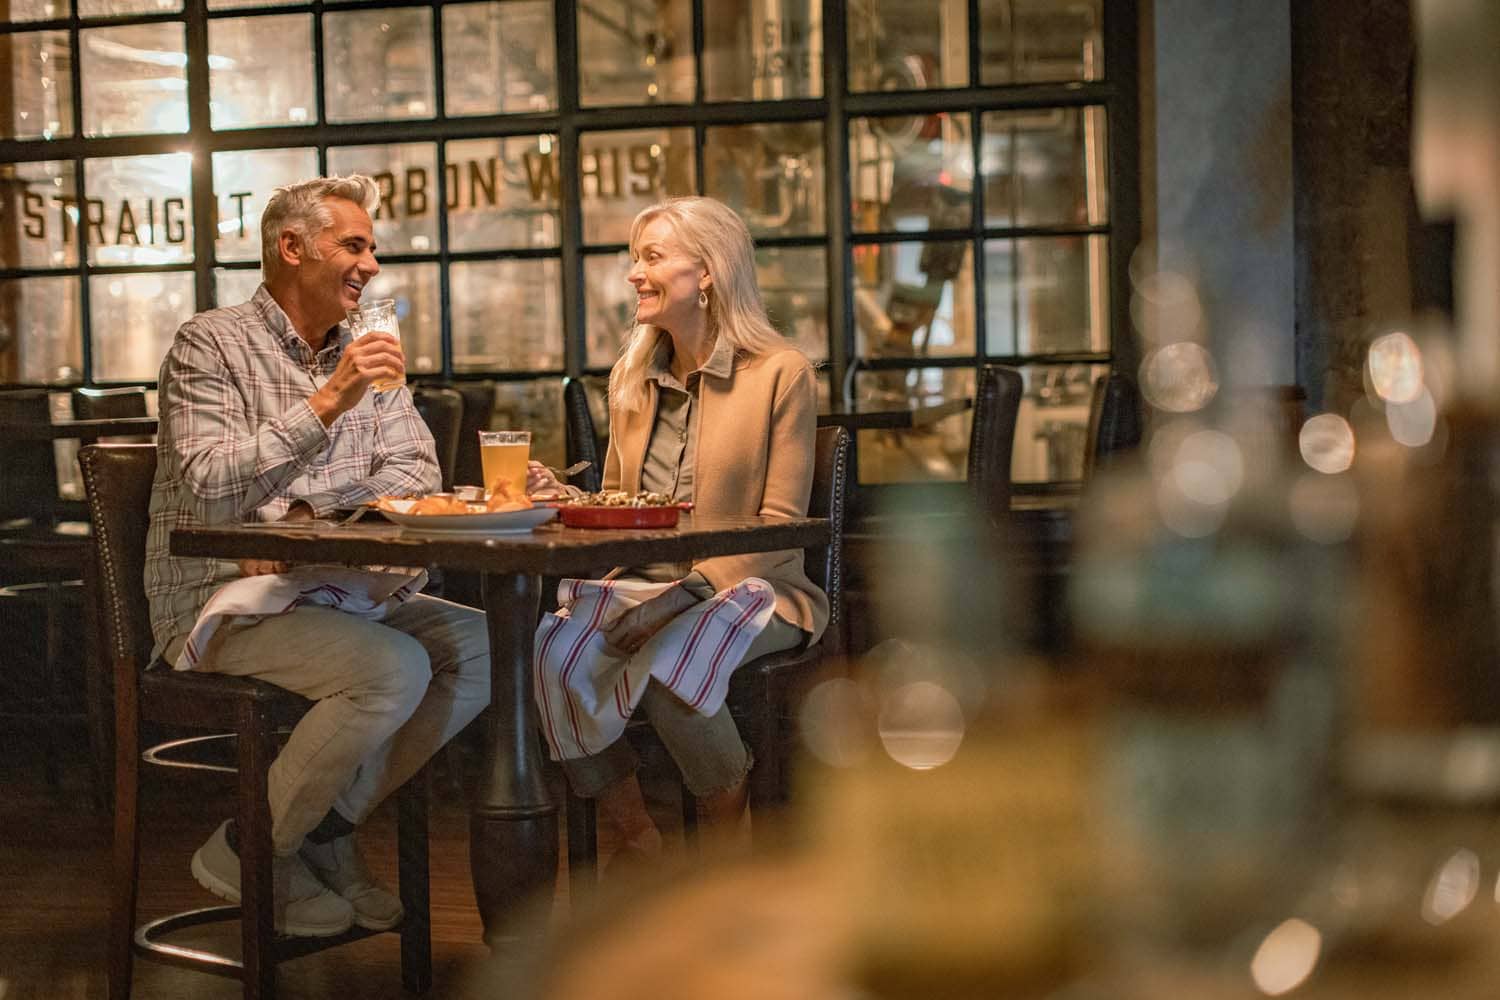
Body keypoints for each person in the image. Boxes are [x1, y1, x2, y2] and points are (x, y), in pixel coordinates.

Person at [144, 175, 490, 937]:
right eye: (354, 245)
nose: (370, 263)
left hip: (338, 588)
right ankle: (255, 849)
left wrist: (298, 515)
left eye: (373, 248)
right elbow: (207, 486)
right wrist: (328, 401)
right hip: (216, 598)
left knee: (482, 646)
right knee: (391, 669)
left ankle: (321, 834)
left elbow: (415, 475)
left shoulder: (365, 350)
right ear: (291, 248)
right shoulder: (211, 342)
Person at [528, 196, 828, 861]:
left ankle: (727, 854)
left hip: (755, 587)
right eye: (636, 258)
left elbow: (780, 528)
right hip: (643, 581)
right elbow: (621, 503)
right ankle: (640, 841)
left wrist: (681, 595)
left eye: (653, 257)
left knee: (669, 669)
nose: (635, 273)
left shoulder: (783, 374)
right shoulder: (633, 379)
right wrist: (565, 499)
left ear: (710, 272)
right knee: (555, 654)